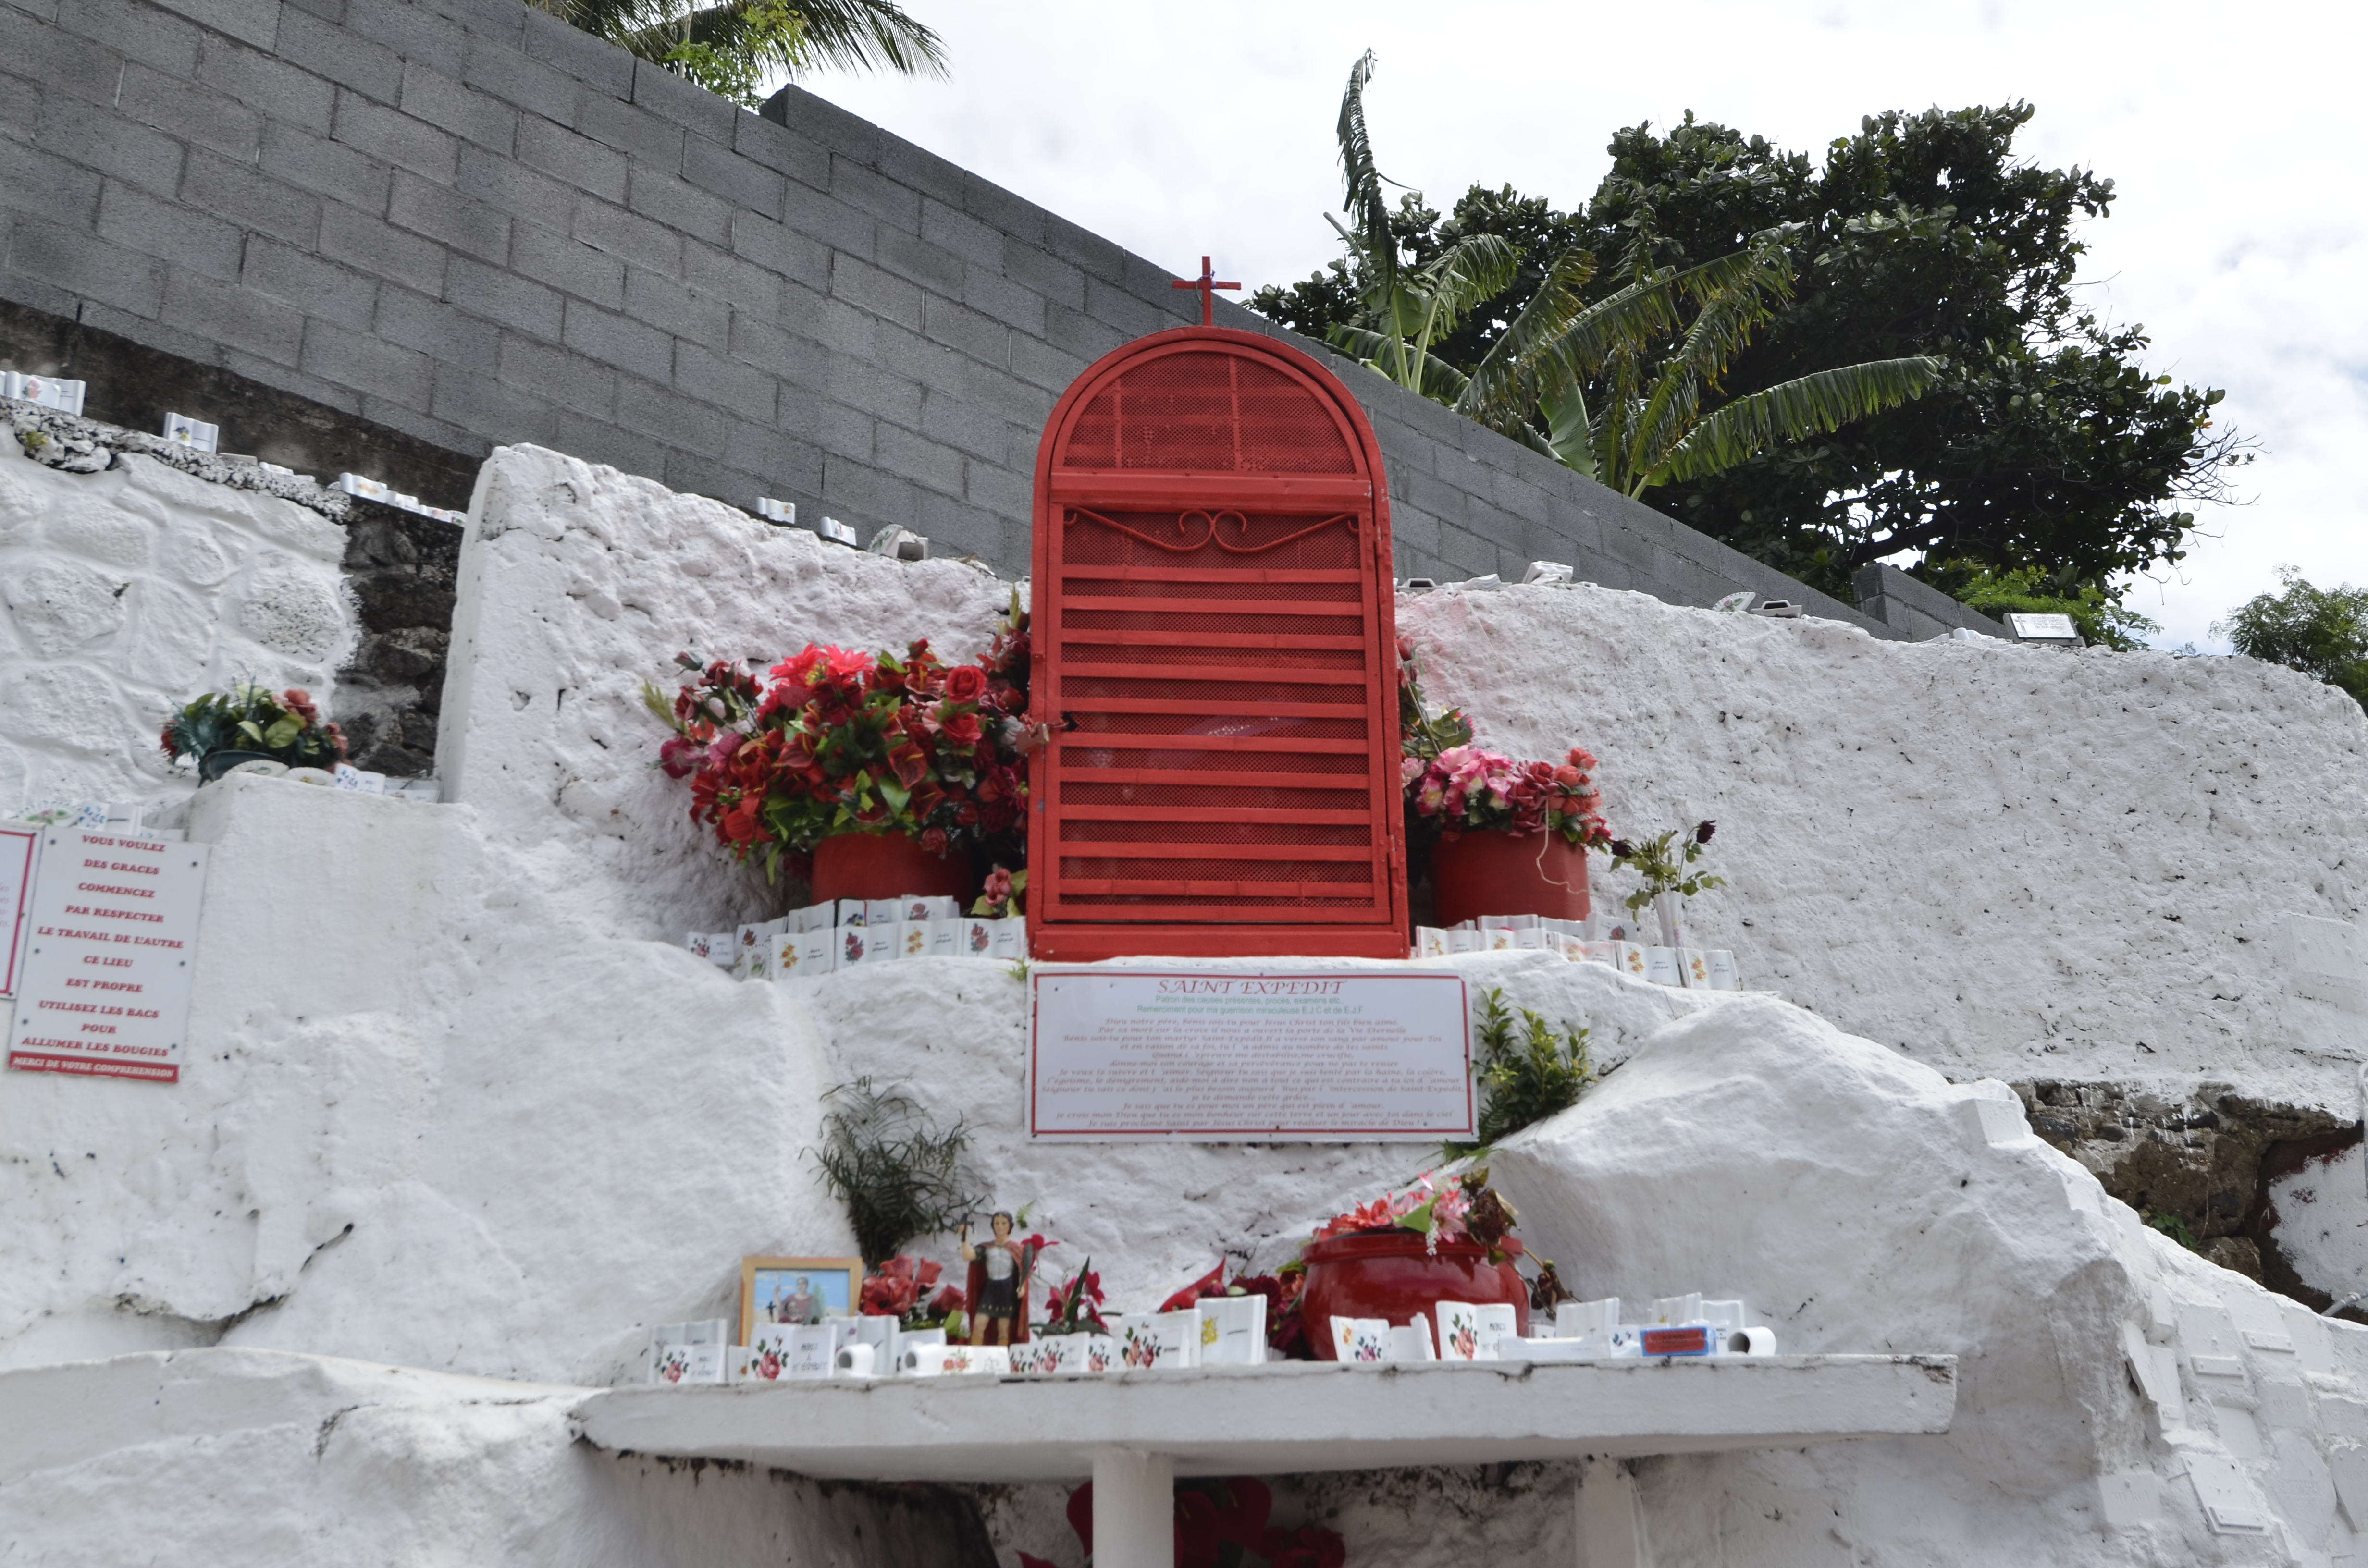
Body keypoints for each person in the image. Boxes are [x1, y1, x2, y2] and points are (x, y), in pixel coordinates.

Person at [960, 1212, 1033, 1347]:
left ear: (1010, 1226)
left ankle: (1001, 1361)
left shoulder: (1016, 1249)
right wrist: (965, 1237)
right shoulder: (986, 1248)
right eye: (997, 1223)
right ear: (993, 1226)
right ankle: (976, 1357)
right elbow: (967, 1255)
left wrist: (1022, 1286)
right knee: (978, 1324)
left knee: (1004, 1329)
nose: (1000, 1227)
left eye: (1004, 1223)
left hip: (1007, 1290)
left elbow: (1023, 1270)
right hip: (990, 1289)